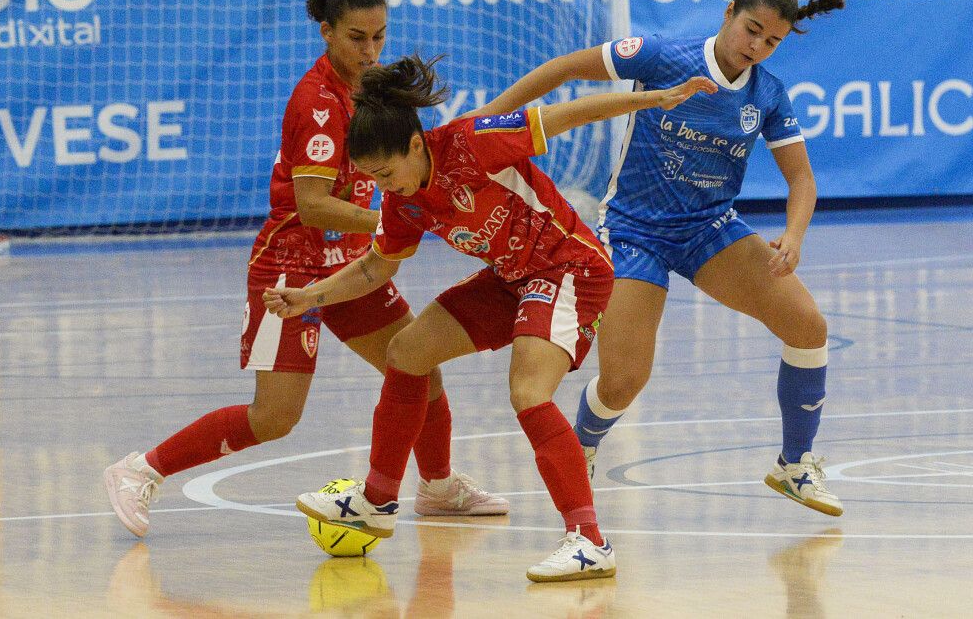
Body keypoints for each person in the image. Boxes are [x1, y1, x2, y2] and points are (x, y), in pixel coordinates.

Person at [263, 54, 717, 581]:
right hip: (511, 278)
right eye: (372, 179)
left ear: (415, 145)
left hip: (570, 267)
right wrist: (312, 296)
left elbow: (570, 114)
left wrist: (654, 99)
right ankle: (377, 500)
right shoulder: (404, 202)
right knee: (407, 353)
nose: (383, 188)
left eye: (386, 173)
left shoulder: (471, 141)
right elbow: (374, 267)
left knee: (528, 391)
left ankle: (590, 541)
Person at [103, 0, 506, 539]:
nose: (371, 52)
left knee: (420, 366)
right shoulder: (316, 102)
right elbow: (313, 205)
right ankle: (140, 470)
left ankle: (439, 488)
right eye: (356, 39)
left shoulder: (371, 89)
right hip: (289, 270)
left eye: (379, 37)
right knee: (275, 418)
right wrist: (398, 220)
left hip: (349, 268)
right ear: (326, 32)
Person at [468, 0, 847, 516]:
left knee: (809, 325)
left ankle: (795, 465)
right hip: (633, 231)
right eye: (752, 30)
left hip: (710, 231)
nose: (756, 47)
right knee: (624, 379)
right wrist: (488, 123)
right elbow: (564, 69)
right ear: (729, 11)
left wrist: (794, 235)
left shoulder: (768, 94)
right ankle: (584, 443)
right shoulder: (661, 56)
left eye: (771, 42)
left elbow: (802, 182)